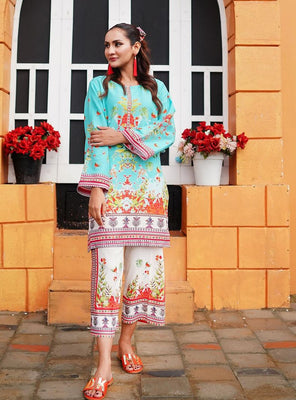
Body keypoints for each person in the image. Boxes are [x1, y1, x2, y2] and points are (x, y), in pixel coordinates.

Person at [77, 23, 175, 400]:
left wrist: (123, 135)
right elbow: (94, 138)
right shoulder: (99, 89)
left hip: (148, 192)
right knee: (107, 274)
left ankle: (126, 343)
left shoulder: (157, 89)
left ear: (135, 47)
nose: (110, 50)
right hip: (112, 190)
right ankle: (103, 364)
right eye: (106, 45)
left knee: (141, 272)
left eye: (117, 43)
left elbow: (167, 131)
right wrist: (97, 188)